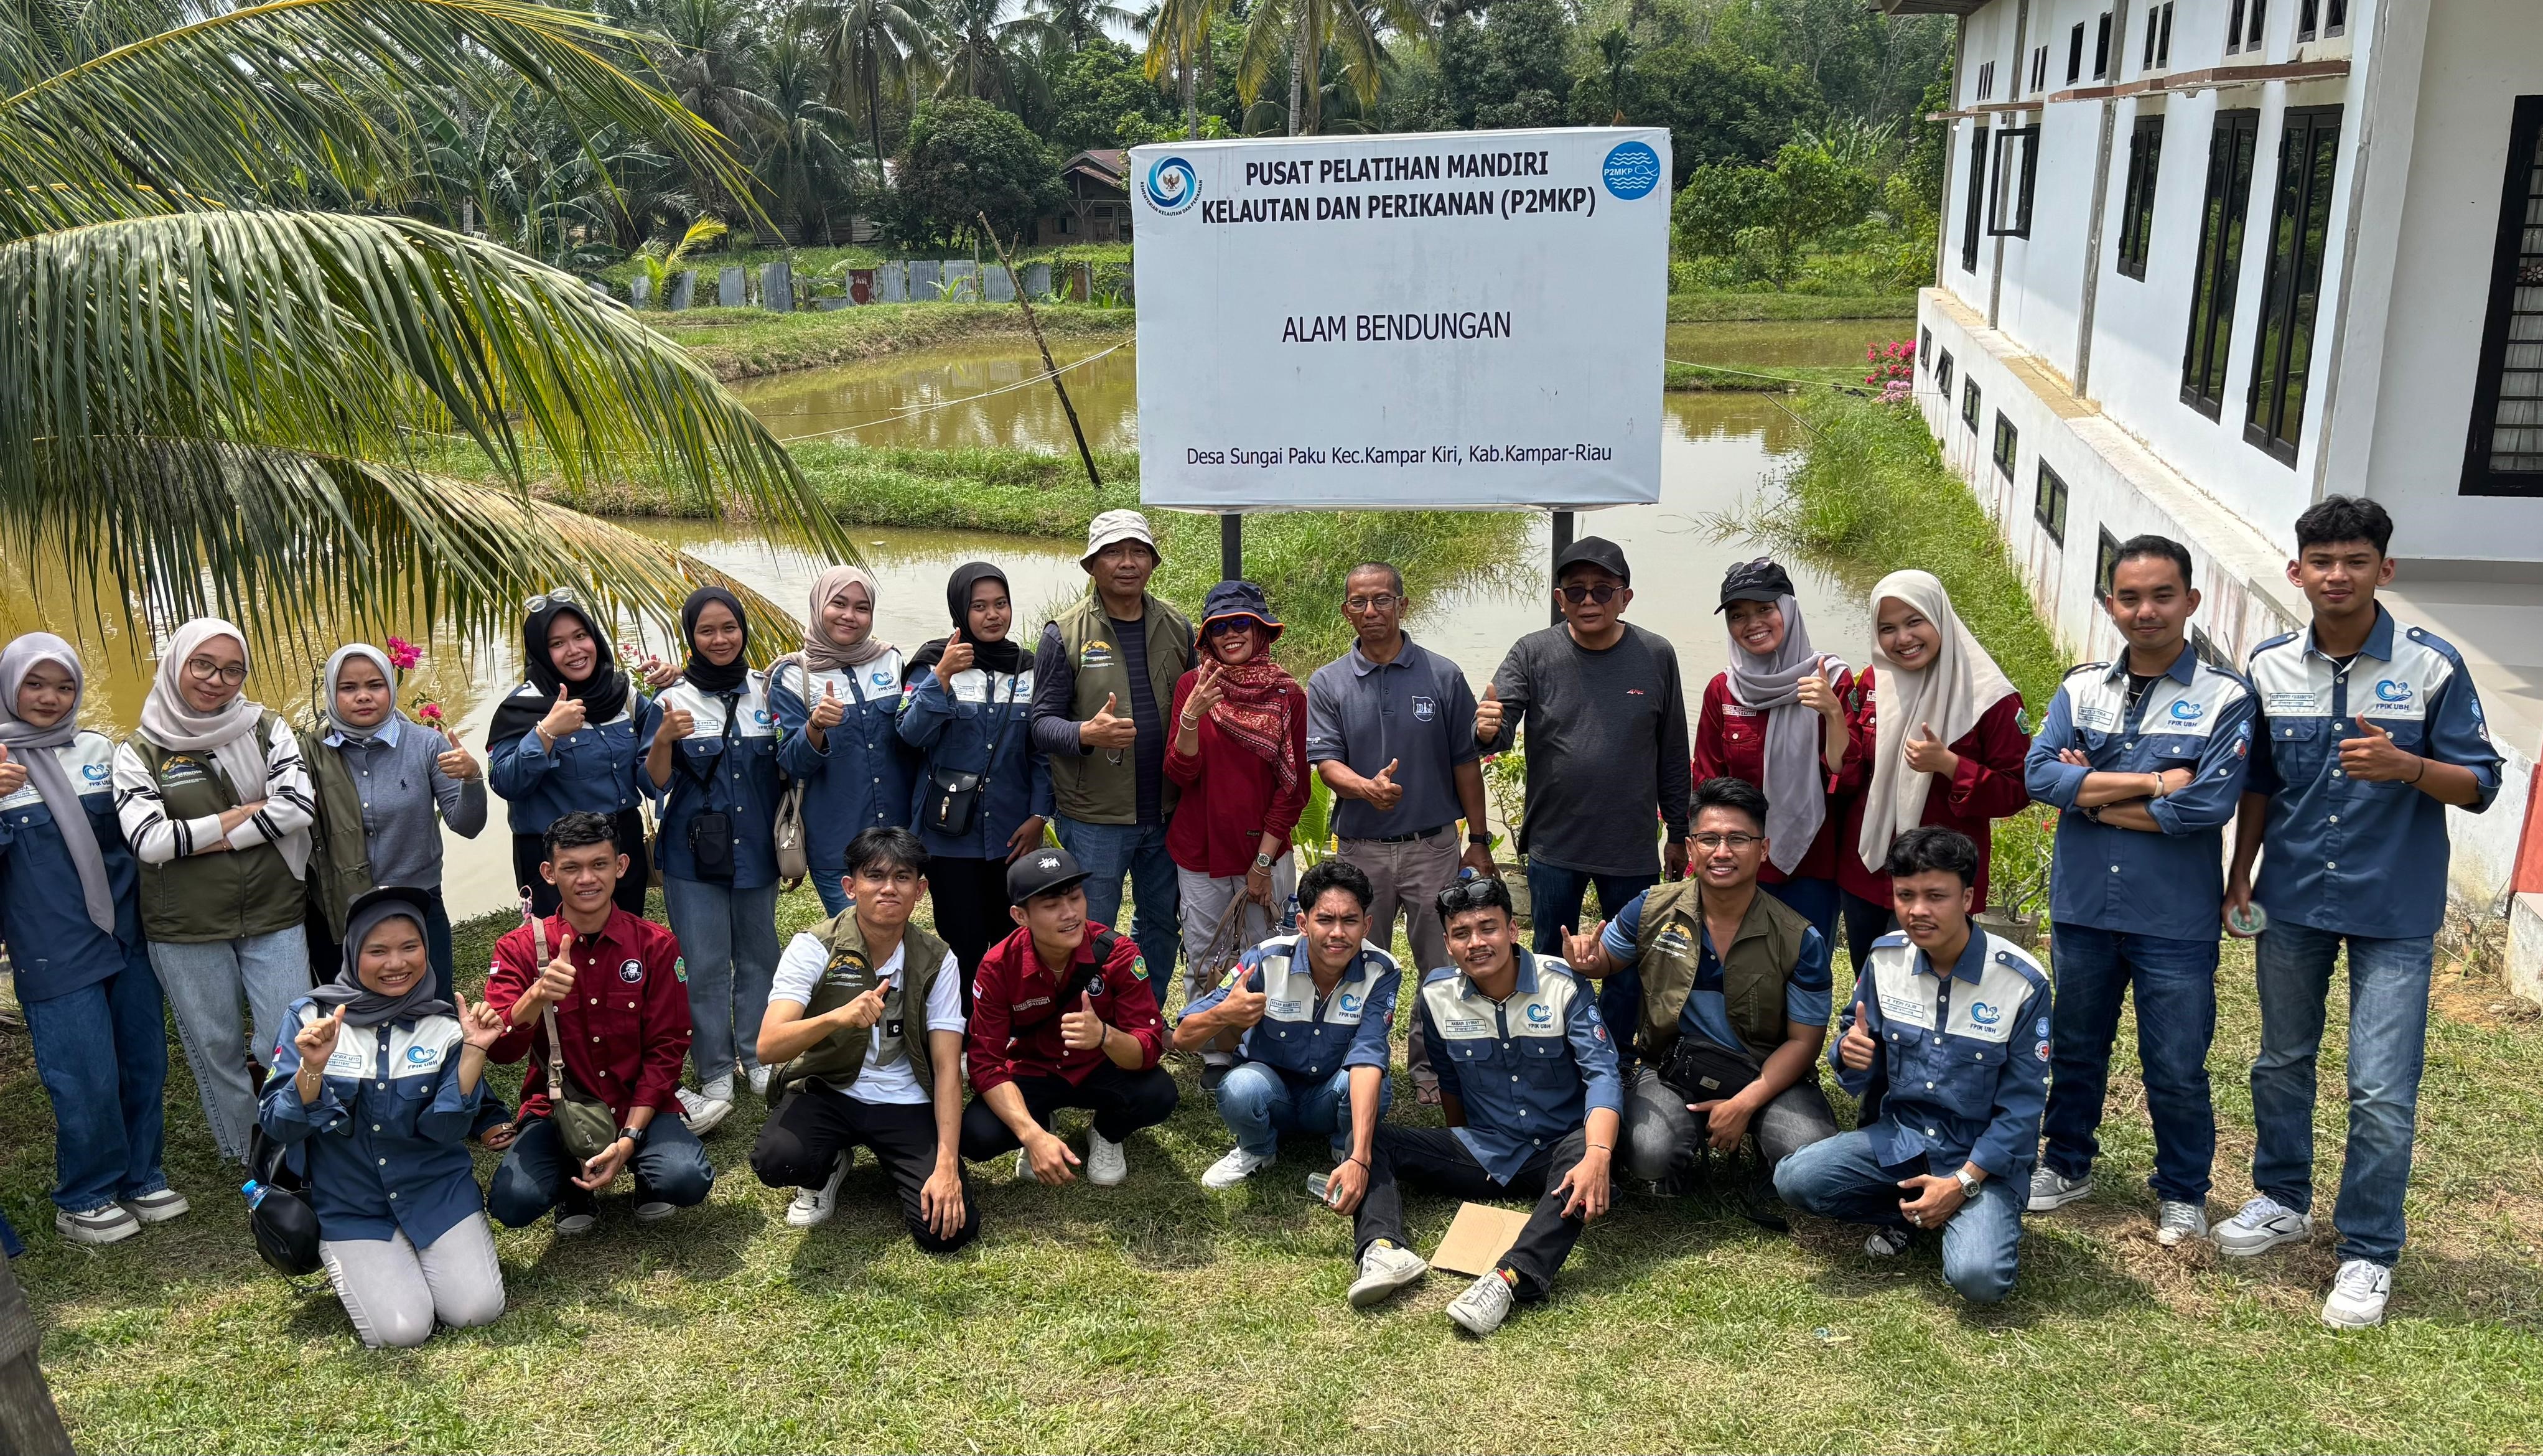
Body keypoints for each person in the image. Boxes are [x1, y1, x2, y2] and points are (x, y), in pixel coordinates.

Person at [2221, 496, 2503, 1329]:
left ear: (2384, 570)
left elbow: (2479, 786)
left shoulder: (2431, 667)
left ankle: (2367, 1250)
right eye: (2320, 561)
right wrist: (2239, 875)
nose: (2334, 575)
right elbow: (2258, 785)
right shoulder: (2268, 666)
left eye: (2353, 561)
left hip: (2394, 906)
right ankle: (2279, 1198)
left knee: (2379, 1089)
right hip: (2293, 896)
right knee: (2279, 1060)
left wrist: (2406, 766)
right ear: (2295, 571)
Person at [2023, 535, 2254, 1247]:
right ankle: (2066, 1163)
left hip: (2173, 919)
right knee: (2075, 1045)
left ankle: (2183, 1191)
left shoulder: (2225, 699)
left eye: (2161, 596)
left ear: (2190, 601)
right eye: (2129, 598)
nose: (2144, 611)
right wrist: (2154, 783)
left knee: (2176, 1065)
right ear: (2110, 605)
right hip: (2084, 907)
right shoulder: (2080, 688)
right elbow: (2038, 777)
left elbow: (2205, 809)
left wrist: (2086, 795)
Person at [1775, 827, 2051, 1305]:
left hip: (1978, 1160)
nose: (1917, 910)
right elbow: (1853, 1051)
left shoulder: (2019, 982)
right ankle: (1906, 1211)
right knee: (1795, 1180)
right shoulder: (1885, 960)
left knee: (1978, 1280)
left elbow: (2023, 1110)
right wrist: (1847, 1053)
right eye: (1905, 895)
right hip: (1900, 1140)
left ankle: (1962, 1211)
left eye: (1935, 896)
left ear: (1967, 897)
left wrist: (1961, 1184)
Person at [1339, 873, 1621, 1337]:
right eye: (1461, 933)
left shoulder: (1563, 985)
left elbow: (1602, 1074)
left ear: (1513, 931)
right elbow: (1448, 1078)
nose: (1476, 943)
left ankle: (1509, 1279)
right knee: (1368, 1140)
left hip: (1560, 1151)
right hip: (1489, 1149)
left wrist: (1598, 1155)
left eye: (1488, 928)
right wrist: (1459, 1141)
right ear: (1448, 944)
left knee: (1580, 1151)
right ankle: (1383, 1250)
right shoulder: (1435, 996)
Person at [1560, 777, 1836, 1221]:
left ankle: (1764, 1147)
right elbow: (1607, 960)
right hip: (1670, 1067)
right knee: (1649, 1155)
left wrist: (1744, 1103)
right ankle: (1682, 1149)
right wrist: (1588, 961)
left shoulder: (1799, 937)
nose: (1721, 852)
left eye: (1737, 839)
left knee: (1812, 1157)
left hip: (1764, 1072)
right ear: (1690, 849)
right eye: (1709, 839)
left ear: (1763, 849)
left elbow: (1805, 1043)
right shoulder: (1651, 908)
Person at [259, 886, 507, 1348]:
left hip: (437, 1192)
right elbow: (279, 1124)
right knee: (402, 1331)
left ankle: (410, 1256)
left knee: (476, 1312)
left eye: (409, 947)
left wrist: (473, 1050)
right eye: (378, 951)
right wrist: (312, 1067)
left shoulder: (445, 1025)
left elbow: (447, 1130)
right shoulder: (311, 1017)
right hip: (350, 1204)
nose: (397, 963)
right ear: (354, 953)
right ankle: (368, 1263)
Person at [113, 618, 315, 1165]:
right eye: (202, 665)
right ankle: (248, 1152)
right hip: (186, 926)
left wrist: (214, 840)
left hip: (274, 910)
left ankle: (294, 1150)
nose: (215, 680)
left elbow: (298, 807)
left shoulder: (266, 728)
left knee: (286, 1038)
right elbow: (149, 843)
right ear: (178, 664)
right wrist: (234, 816)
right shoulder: (139, 751)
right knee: (217, 1047)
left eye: (231, 670)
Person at [0, 634, 182, 1244]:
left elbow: (140, 834)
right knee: (84, 1076)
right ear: (10, 686)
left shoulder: (100, 750)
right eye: (35, 684)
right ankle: (84, 1195)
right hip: (52, 946)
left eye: (64, 686)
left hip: (124, 937)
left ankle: (140, 1175)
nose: (51, 698)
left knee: (142, 1061)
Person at [1306, 562, 1494, 1104]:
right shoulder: (1328, 682)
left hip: (1431, 846)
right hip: (1361, 849)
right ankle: (1359, 1063)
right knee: (1357, 959)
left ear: (1402, 605)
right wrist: (1365, 788)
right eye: (1359, 603)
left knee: (1440, 961)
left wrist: (1477, 840)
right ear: (1346, 611)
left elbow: (1465, 764)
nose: (1371, 612)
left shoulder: (1441, 676)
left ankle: (1431, 1069)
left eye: (1382, 600)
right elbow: (1326, 764)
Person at [482, 812, 714, 1233]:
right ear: (549, 873)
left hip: (638, 1105)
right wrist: (535, 996)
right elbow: (500, 1051)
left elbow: (667, 1050)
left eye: (599, 865)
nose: (586, 879)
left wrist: (628, 1139)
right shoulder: (517, 948)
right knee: (512, 1204)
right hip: (558, 1110)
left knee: (684, 1179)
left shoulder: (655, 945)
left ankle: (646, 1173)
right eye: (571, 868)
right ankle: (573, 1188)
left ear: (621, 867)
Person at [750, 826, 976, 1249]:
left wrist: (946, 1163)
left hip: (905, 1099)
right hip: (827, 1088)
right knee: (778, 1162)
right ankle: (826, 1167)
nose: (888, 889)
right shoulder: (813, 946)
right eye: (875, 876)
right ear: (851, 887)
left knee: (947, 1234)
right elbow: (768, 1047)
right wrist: (837, 1017)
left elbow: (947, 1066)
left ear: (920, 890)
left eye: (903, 877)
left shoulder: (939, 959)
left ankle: (904, 1161)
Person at [1475, 537, 1691, 958]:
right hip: (1555, 842)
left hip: (1629, 845)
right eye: (1576, 591)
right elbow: (1498, 730)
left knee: (1628, 958)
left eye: (1602, 590)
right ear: (1560, 599)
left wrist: (1679, 834)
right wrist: (1486, 729)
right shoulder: (1533, 652)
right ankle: (1553, 1026)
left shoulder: (1655, 654)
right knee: (1550, 958)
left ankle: (1615, 1028)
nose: (1588, 600)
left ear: (1625, 598)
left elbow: (1671, 752)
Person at [640, 587, 783, 1132]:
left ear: (743, 630)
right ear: (690, 638)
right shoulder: (670, 699)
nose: (720, 639)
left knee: (758, 958)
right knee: (703, 967)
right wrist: (662, 740)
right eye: (706, 631)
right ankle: (716, 1067)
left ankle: (757, 1056)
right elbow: (652, 782)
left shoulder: (767, 691)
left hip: (758, 853)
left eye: (729, 628)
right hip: (690, 858)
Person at [1836, 571, 2031, 972]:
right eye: (1887, 628)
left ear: (1940, 617)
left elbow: (2017, 790)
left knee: (1929, 986)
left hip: (1940, 880)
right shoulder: (1876, 680)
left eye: (1914, 622)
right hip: (1867, 871)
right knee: (1871, 983)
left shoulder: (1990, 697)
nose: (1902, 639)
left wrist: (1951, 766)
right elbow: (1853, 771)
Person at [1030, 510, 1193, 986]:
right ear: (1091, 565)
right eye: (1114, 553)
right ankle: (1091, 1020)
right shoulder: (1063, 633)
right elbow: (1040, 725)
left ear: (1153, 562)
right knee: (1089, 928)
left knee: (1161, 923)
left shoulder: (1178, 627)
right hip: (1094, 816)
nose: (1128, 563)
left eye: (1138, 552)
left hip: (1165, 811)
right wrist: (1086, 734)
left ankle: (1145, 1019)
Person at [1175, 857, 1400, 1190]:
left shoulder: (1381, 970)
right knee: (1238, 1088)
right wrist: (1223, 1015)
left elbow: (1369, 1055)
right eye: (1324, 919)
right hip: (1269, 1092)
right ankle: (1257, 1148)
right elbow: (1183, 1037)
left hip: (1332, 1095)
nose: (1337, 933)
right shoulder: (1266, 960)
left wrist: (1361, 1157)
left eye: (1350, 921)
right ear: (1303, 923)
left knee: (1376, 1083)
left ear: (1366, 927)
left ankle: (1344, 1147)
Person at [958, 846, 1175, 1187]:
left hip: (1100, 1069)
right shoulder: (998, 966)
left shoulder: (1118, 954)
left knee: (1159, 1093)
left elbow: (1147, 1048)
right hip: (1034, 1071)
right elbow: (985, 1062)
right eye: (1051, 905)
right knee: (976, 1135)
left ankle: (1106, 1132)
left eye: (1075, 898)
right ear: (1020, 916)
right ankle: (1041, 1124)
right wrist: (1031, 1136)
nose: (1070, 913)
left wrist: (1104, 1036)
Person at [1165, 581, 1309, 1088]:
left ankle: (1268, 1046)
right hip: (1200, 847)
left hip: (1262, 849)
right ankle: (1215, 1053)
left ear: (1260, 631)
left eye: (1240, 624)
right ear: (1206, 637)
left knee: (1269, 949)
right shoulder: (1193, 686)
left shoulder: (1288, 694)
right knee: (1206, 948)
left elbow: (1293, 790)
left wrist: (1263, 863)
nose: (1230, 635)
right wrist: (1188, 719)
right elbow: (1180, 775)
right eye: (1219, 627)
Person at [300, 643, 488, 1003]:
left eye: (375, 685)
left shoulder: (426, 745)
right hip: (342, 908)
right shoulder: (311, 754)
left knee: (433, 1009)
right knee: (351, 1017)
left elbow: (467, 825)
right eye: (348, 688)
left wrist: (472, 778)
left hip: (419, 901)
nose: (363, 697)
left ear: (392, 685)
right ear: (331, 693)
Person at [900, 562, 1053, 989]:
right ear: (959, 611)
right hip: (949, 832)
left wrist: (1039, 815)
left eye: (1000, 604)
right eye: (979, 606)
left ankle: (1003, 1027)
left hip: (1011, 829)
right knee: (961, 939)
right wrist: (942, 677)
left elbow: (1040, 752)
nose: (992, 615)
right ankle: (964, 1034)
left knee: (1010, 935)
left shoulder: (1029, 668)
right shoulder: (931, 663)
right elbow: (911, 736)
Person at [1694, 558, 1857, 947]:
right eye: (1738, 615)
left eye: (1765, 609)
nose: (1752, 624)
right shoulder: (1724, 689)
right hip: (1738, 861)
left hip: (1813, 860)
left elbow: (1847, 778)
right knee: (1735, 967)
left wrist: (1832, 712)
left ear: (1788, 608)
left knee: (1805, 967)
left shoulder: (1832, 679)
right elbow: (1706, 780)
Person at [487, 593, 653, 918]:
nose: (575, 651)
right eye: (557, 643)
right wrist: (546, 731)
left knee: (623, 951)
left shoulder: (622, 695)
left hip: (620, 849)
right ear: (540, 651)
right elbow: (505, 782)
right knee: (562, 957)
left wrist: (673, 685)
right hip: (554, 855)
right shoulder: (524, 705)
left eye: (581, 636)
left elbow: (662, 751)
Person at [769, 566, 913, 918]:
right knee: (858, 942)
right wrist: (815, 725)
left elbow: (912, 737)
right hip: (838, 845)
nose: (850, 616)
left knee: (896, 936)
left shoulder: (890, 660)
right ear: (819, 606)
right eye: (839, 604)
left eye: (862, 607)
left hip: (900, 836)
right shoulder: (791, 675)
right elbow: (791, 763)